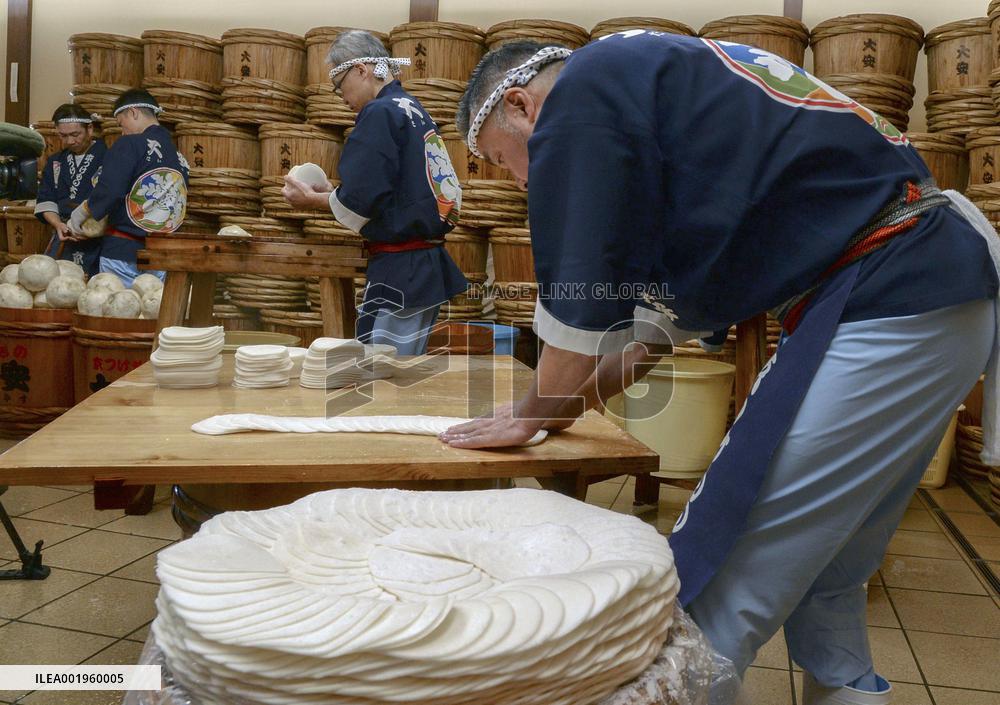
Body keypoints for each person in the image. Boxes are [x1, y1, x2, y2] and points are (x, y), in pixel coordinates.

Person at [440, 33, 1000, 705]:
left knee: (715, 573)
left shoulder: (584, 94)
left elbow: (579, 318)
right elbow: (643, 341)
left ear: (523, 107)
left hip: (887, 284)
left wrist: (527, 411)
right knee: (828, 566)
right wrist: (555, 411)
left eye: (505, 163)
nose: (523, 182)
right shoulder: (660, 101)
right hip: (938, 289)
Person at [282, 30, 466, 355]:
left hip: (402, 270)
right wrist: (333, 192)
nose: (341, 97)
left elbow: (363, 199)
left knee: (383, 375)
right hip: (422, 265)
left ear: (362, 70)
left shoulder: (379, 112)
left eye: (340, 86)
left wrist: (313, 199)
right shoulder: (412, 108)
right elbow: (396, 187)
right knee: (400, 369)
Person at [69, 88, 188, 287]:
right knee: (153, 314)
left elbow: (110, 190)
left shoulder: (130, 144)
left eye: (121, 124)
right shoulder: (178, 156)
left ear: (133, 112)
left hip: (122, 252)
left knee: (119, 312)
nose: (122, 131)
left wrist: (80, 214)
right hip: (161, 256)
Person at [33, 103, 107, 276]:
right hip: (64, 234)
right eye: (63, 136)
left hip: (97, 238)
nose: (69, 141)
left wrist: (93, 227)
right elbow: (46, 198)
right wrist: (57, 224)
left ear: (89, 129)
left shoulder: (108, 157)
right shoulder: (55, 162)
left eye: (75, 134)